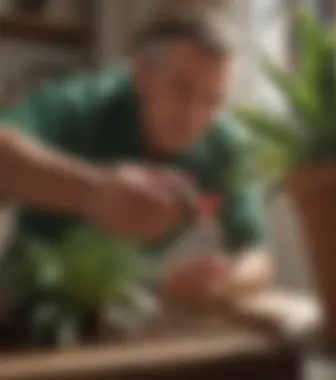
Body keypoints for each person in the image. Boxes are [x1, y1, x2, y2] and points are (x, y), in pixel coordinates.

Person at [0, 12, 272, 309]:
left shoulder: (226, 146)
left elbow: (257, 253)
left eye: (213, 101)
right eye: (182, 90)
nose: (194, 117)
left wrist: (225, 280)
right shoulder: (79, 104)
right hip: (28, 304)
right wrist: (94, 193)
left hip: (132, 310)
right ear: (144, 74)